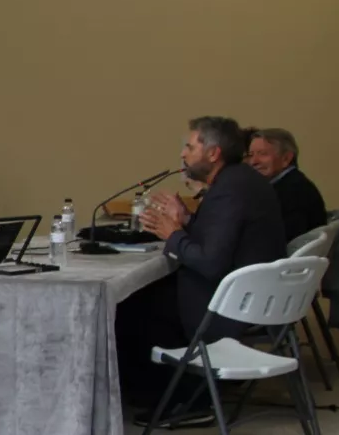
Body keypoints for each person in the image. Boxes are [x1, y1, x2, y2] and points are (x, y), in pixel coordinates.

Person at [118, 116, 288, 408]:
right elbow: (222, 237)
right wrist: (187, 220)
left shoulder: (229, 190)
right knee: (144, 297)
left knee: (130, 305)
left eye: (189, 146)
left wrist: (172, 235)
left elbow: (210, 262)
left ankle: (182, 401)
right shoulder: (239, 180)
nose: (183, 154)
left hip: (229, 303)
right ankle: (174, 392)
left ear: (213, 153)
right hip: (254, 294)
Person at [246, 128, 328, 244]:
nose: (253, 162)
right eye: (251, 155)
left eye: (262, 154)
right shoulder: (293, 182)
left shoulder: (292, 191)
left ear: (286, 159)